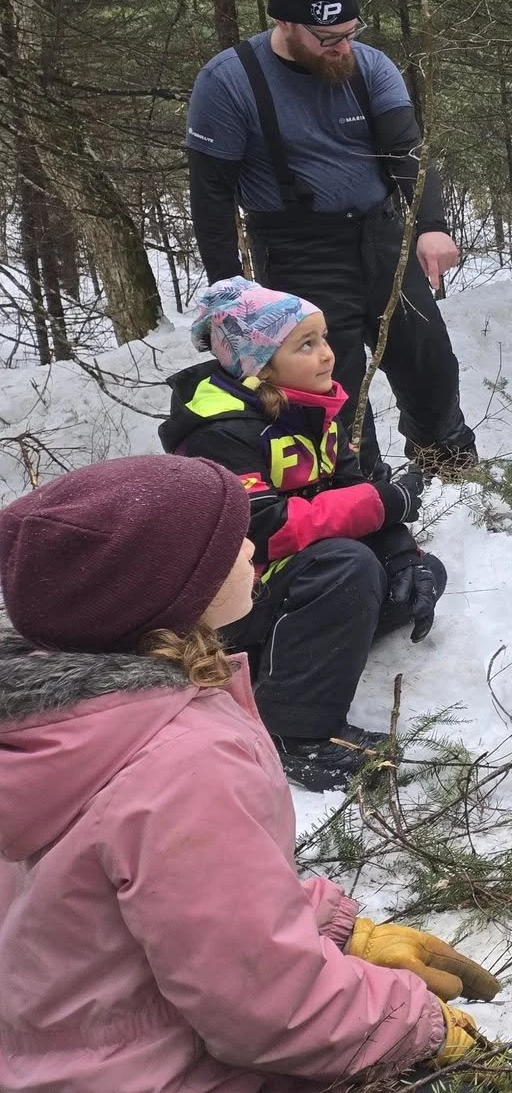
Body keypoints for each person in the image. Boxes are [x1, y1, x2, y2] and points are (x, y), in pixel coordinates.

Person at [0, 455, 497, 1090]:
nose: (249, 543)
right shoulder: (181, 761)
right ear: (168, 588)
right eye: (227, 539)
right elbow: (265, 1008)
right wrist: (415, 1028)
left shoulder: (66, 724)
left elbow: (171, 900)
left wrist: (341, 934)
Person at [185, 0, 477, 479]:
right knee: (328, 374)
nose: (343, 47)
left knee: (428, 355)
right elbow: (211, 196)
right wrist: (229, 292)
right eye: (328, 39)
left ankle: (450, 465)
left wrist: (431, 227)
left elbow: (408, 152)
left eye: (350, 33)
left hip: (380, 233)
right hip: (298, 248)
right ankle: (360, 487)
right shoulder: (229, 82)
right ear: (285, 23)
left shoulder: (370, 67)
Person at [160, 277, 447, 792]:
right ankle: (294, 729)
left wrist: (403, 554)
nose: (328, 355)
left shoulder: (311, 407)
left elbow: (350, 486)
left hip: (288, 583)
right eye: (306, 345)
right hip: (229, 604)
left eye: (324, 339)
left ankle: (306, 649)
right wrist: (380, 503)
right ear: (259, 364)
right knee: (347, 567)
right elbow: (263, 529)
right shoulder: (219, 432)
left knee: (417, 572)